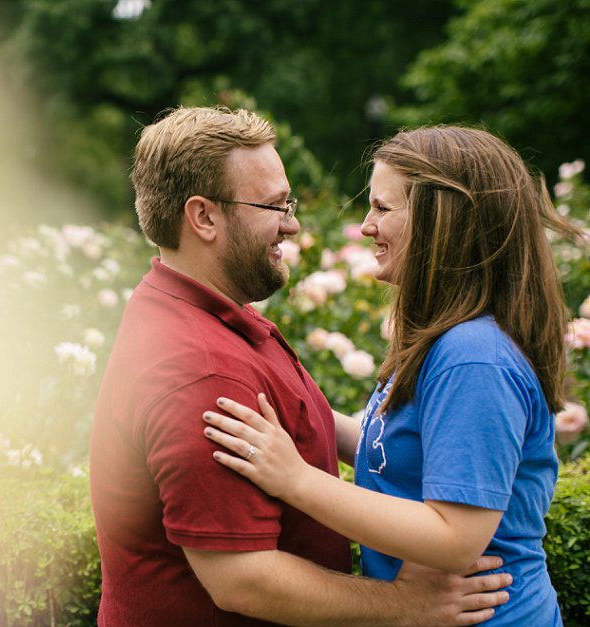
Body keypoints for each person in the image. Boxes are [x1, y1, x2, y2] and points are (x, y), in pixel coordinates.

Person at [89, 108, 511, 627]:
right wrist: (409, 605)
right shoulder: (201, 370)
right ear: (203, 217)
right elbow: (243, 579)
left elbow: (313, 424)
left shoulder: (207, 315)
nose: (292, 223)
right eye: (273, 205)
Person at [203, 125, 582, 625]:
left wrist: (295, 480)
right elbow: (398, 456)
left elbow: (455, 538)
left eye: (383, 208)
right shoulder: (447, 340)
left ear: (440, 220)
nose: (364, 226)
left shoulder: (474, 356)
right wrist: (292, 412)